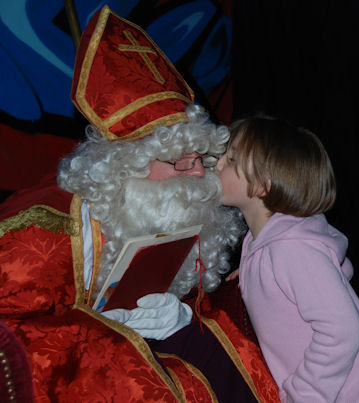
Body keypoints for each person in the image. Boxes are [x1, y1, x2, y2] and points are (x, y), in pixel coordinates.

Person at [0, 6, 278, 402]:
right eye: (178, 161)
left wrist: (183, 318)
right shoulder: (41, 229)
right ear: (122, 166)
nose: (196, 175)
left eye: (201, 159)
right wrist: (98, 331)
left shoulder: (171, 210)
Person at [215, 116, 359, 402]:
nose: (218, 164)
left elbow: (342, 330)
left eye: (231, 159)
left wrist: (304, 395)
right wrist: (249, 274)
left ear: (263, 185)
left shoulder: (291, 249)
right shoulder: (264, 244)